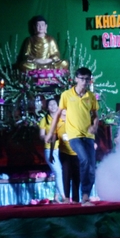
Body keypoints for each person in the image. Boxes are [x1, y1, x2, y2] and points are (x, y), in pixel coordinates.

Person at [46, 67, 98, 206]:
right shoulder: (66, 95)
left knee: (92, 169)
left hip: (89, 136)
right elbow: (58, 114)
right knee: (84, 160)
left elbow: (95, 115)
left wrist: (95, 125)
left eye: (87, 79)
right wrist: (50, 133)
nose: (84, 82)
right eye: (82, 79)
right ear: (76, 79)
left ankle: (85, 196)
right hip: (74, 135)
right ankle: (83, 197)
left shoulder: (91, 96)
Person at [39, 98, 66, 203]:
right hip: (50, 150)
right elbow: (41, 135)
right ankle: (64, 197)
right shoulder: (44, 120)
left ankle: (56, 197)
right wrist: (46, 137)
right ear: (47, 108)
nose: (53, 106)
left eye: (54, 104)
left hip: (62, 150)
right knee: (58, 172)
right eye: (50, 105)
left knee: (61, 172)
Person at [57, 110, 81, 203]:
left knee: (76, 175)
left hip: (76, 153)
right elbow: (54, 136)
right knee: (66, 175)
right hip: (64, 152)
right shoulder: (57, 122)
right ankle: (66, 197)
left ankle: (76, 198)